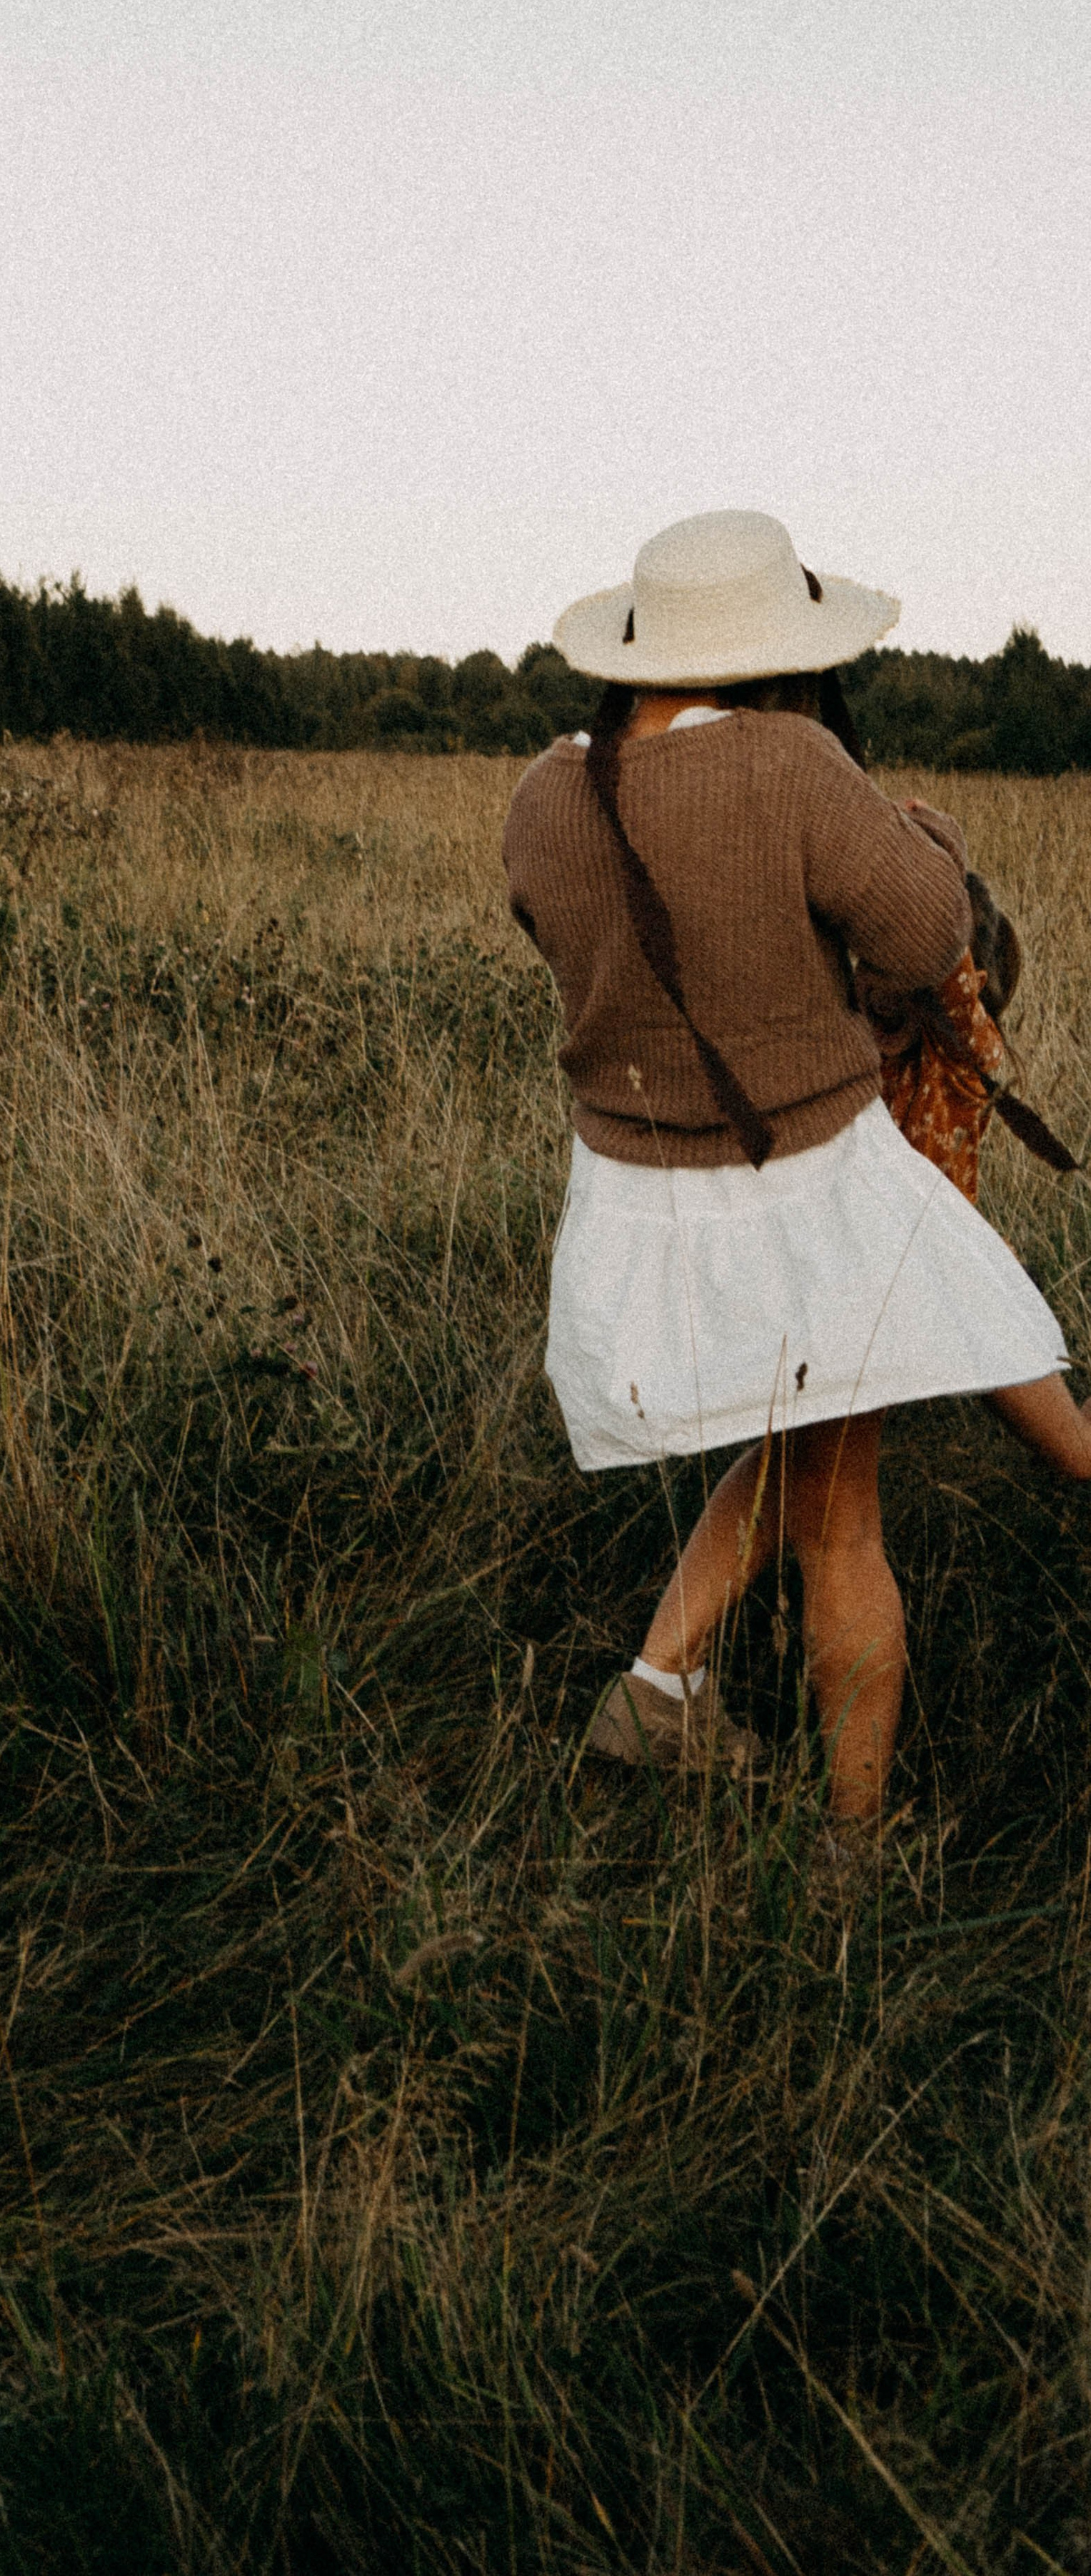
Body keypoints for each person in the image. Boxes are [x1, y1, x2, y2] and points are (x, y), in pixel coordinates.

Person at [503, 510, 1091, 1835]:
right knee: (840, 1514)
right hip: (806, 1183)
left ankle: (667, 1688)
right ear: (784, 653)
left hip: (636, 1202)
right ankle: (850, 1862)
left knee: (812, 1458)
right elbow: (927, 937)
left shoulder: (546, 795)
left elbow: (558, 929)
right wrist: (927, 840)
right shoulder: (794, 765)